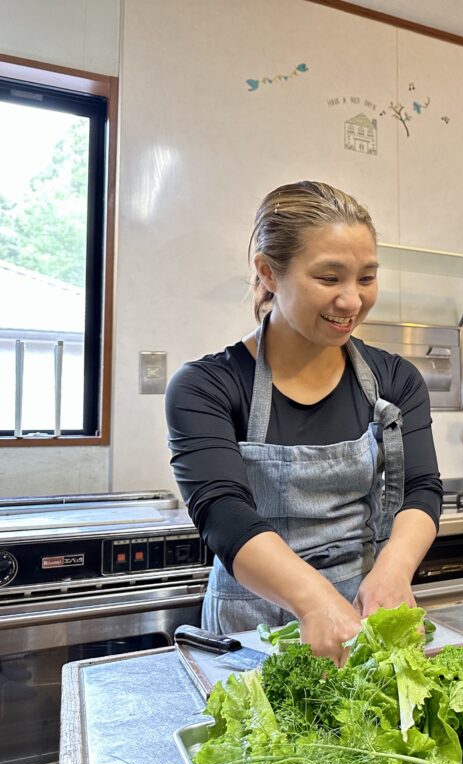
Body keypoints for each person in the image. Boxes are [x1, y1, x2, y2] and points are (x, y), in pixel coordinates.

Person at [165, 181, 442, 664]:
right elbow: (223, 513)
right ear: (268, 272)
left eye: (366, 278)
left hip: (361, 618)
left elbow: (422, 488)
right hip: (247, 633)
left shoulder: (394, 380)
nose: (352, 301)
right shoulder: (206, 386)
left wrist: (394, 571)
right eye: (330, 278)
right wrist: (313, 599)